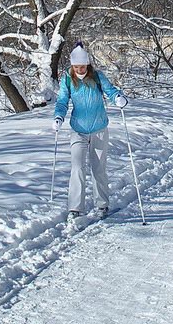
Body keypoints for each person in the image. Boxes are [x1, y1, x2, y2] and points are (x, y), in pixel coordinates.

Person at [52, 42, 126, 219]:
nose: (80, 69)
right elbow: (62, 101)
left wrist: (118, 98)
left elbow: (111, 91)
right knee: (77, 167)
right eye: (76, 66)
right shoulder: (68, 80)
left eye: (82, 66)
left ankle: (102, 205)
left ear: (87, 64)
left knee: (98, 168)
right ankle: (75, 208)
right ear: (72, 66)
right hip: (78, 130)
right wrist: (58, 117)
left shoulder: (98, 77)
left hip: (99, 129)